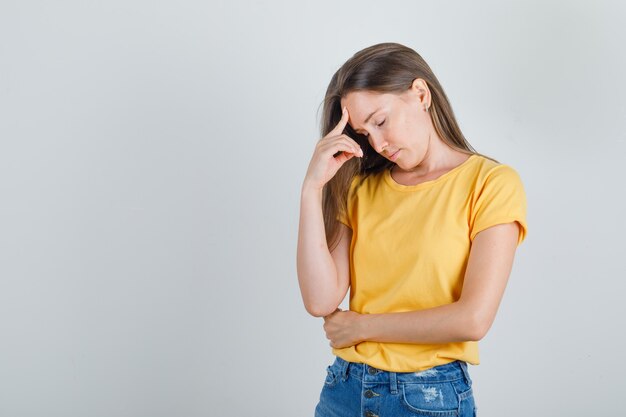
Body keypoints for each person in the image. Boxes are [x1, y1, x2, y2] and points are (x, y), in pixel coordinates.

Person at [296, 42, 527, 417]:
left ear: (420, 94)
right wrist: (311, 189)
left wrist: (360, 328)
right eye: (364, 133)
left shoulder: (491, 183)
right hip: (344, 390)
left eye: (380, 121)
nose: (378, 143)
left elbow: (472, 319)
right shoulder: (360, 188)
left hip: (426, 397)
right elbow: (320, 302)